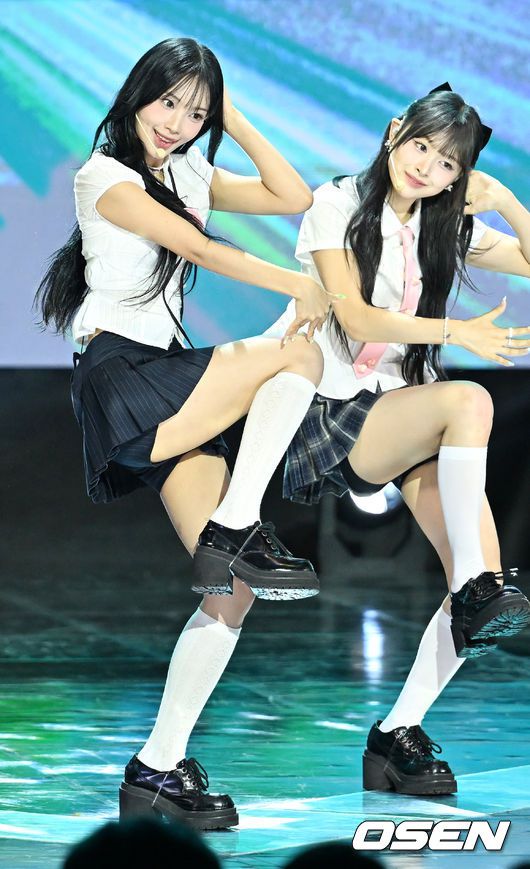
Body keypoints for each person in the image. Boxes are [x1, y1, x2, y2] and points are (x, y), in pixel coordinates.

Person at [36, 37, 331, 829]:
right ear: (137, 95)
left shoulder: (192, 172)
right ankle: (239, 527)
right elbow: (197, 245)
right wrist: (297, 282)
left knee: (232, 593)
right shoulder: (104, 176)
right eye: (167, 102)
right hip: (123, 377)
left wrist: (231, 114)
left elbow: (294, 193)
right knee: (298, 351)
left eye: (195, 112)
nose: (176, 122)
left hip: (169, 380)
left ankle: (156, 768)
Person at [265, 84, 530, 796]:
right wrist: (455, 331)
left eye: (448, 164)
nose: (427, 168)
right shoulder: (336, 202)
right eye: (421, 146)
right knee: (470, 398)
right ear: (393, 133)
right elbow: (355, 318)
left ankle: (396, 735)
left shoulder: (445, 226)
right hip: (332, 407)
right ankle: (472, 586)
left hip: (404, 410)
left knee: (486, 586)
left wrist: (506, 202)